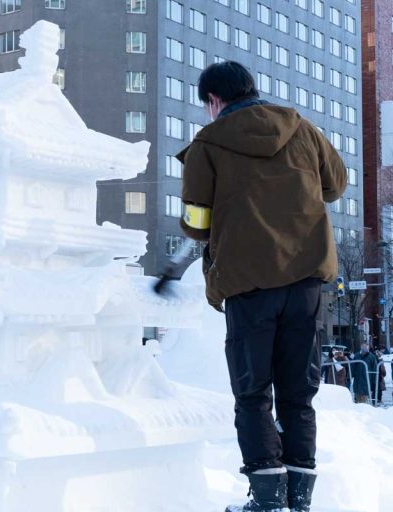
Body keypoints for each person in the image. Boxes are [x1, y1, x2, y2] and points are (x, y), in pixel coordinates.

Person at [177, 62, 346, 512]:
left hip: (249, 283)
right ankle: (299, 497)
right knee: (298, 392)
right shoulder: (302, 129)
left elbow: (197, 222)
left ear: (214, 100)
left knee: (253, 392)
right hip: (306, 280)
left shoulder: (207, 145)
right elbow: (336, 185)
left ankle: (268, 499)